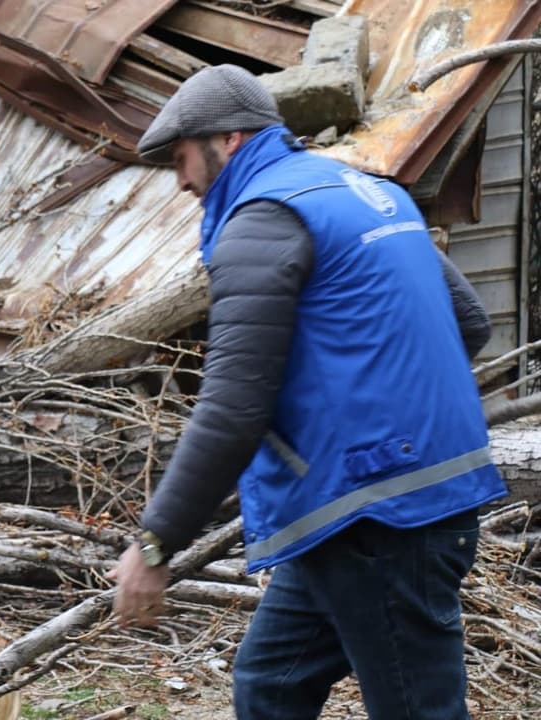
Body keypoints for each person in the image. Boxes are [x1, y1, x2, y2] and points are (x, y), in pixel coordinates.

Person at [108, 65, 506, 720]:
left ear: (228, 140)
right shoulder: (363, 191)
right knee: (272, 683)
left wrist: (154, 546)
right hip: (367, 508)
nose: (180, 180)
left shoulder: (261, 222)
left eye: (180, 159)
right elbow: (469, 323)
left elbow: (234, 405)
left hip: (379, 513)